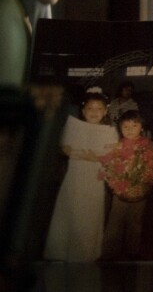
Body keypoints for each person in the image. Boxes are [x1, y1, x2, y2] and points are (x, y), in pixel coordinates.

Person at [43, 88, 118, 262]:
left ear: (105, 111)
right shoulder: (74, 126)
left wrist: (96, 157)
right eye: (90, 109)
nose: (94, 112)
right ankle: (61, 252)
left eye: (99, 109)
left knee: (89, 213)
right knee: (70, 210)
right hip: (75, 176)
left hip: (94, 178)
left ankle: (85, 254)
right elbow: (64, 148)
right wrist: (82, 155)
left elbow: (111, 155)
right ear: (83, 111)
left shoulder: (109, 131)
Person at [100, 109, 153, 261]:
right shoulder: (117, 146)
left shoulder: (147, 145)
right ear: (120, 129)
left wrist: (147, 174)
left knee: (135, 222)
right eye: (126, 127)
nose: (130, 130)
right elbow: (109, 165)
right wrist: (113, 178)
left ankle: (133, 251)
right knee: (115, 221)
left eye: (134, 126)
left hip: (139, 192)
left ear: (142, 128)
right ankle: (109, 252)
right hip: (120, 191)